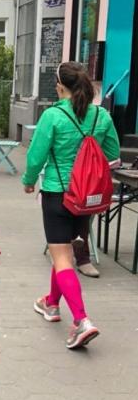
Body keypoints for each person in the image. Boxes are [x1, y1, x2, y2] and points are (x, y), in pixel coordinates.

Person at [22, 61, 120, 349]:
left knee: (62, 257)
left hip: (58, 193)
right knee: (63, 250)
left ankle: (81, 321)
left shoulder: (53, 115)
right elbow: (113, 154)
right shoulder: (102, 115)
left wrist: (29, 180)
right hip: (87, 197)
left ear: (60, 86)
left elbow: (36, 155)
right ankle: (51, 303)